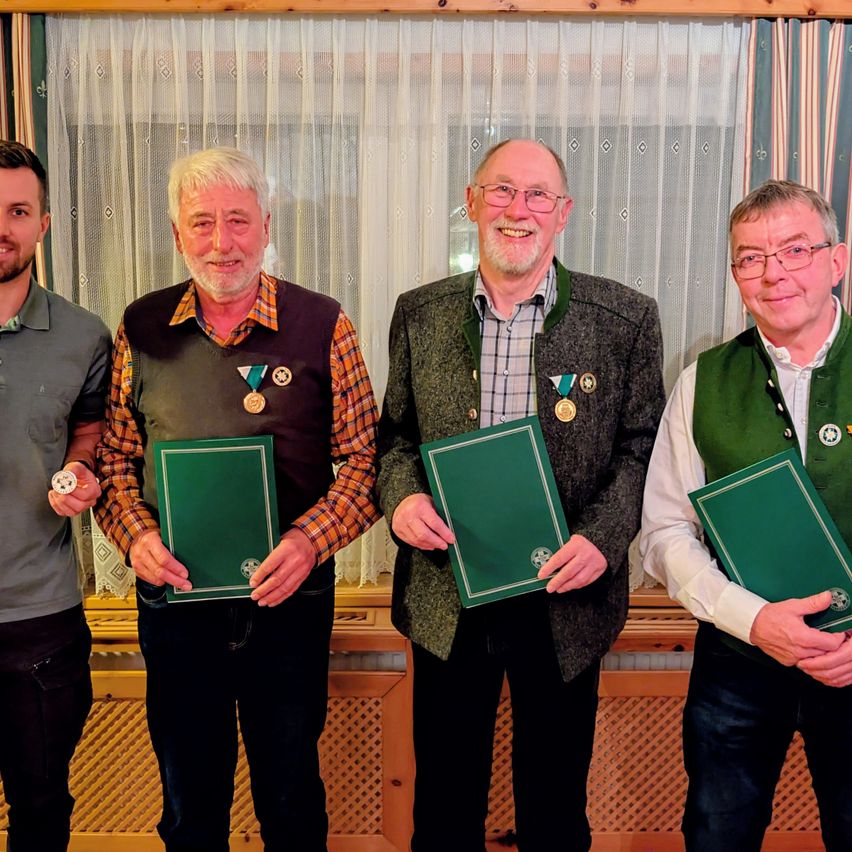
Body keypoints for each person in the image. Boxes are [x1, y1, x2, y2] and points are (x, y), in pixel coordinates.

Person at [377, 138, 666, 851]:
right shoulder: (419, 313)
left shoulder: (624, 319)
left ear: (562, 213)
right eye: (501, 191)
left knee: (556, 809)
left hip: (566, 596)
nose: (519, 210)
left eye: (538, 195)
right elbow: (394, 440)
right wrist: (403, 499)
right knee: (443, 808)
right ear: (472, 204)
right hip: (451, 595)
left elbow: (641, 451)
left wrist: (601, 541)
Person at [94, 147, 380, 852]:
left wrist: (309, 540)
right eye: (202, 224)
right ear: (176, 234)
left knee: (289, 798)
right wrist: (135, 538)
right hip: (176, 607)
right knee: (191, 801)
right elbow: (115, 461)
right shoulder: (141, 327)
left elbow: (366, 462)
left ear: (265, 225)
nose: (221, 243)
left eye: (237, 221)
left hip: (288, 606)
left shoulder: (323, 324)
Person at [640, 179, 851, 851]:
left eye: (794, 250)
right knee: (717, 837)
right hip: (738, 660)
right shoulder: (702, 380)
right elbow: (664, 532)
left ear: (837, 261)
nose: (774, 273)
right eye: (751, 258)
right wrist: (755, 621)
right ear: (735, 274)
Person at [0, 140, 111, 851]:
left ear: (44, 223)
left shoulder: (84, 336)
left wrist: (81, 473)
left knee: (41, 809)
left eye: (18, 210)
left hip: (39, 627)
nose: (2, 226)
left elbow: (88, 433)